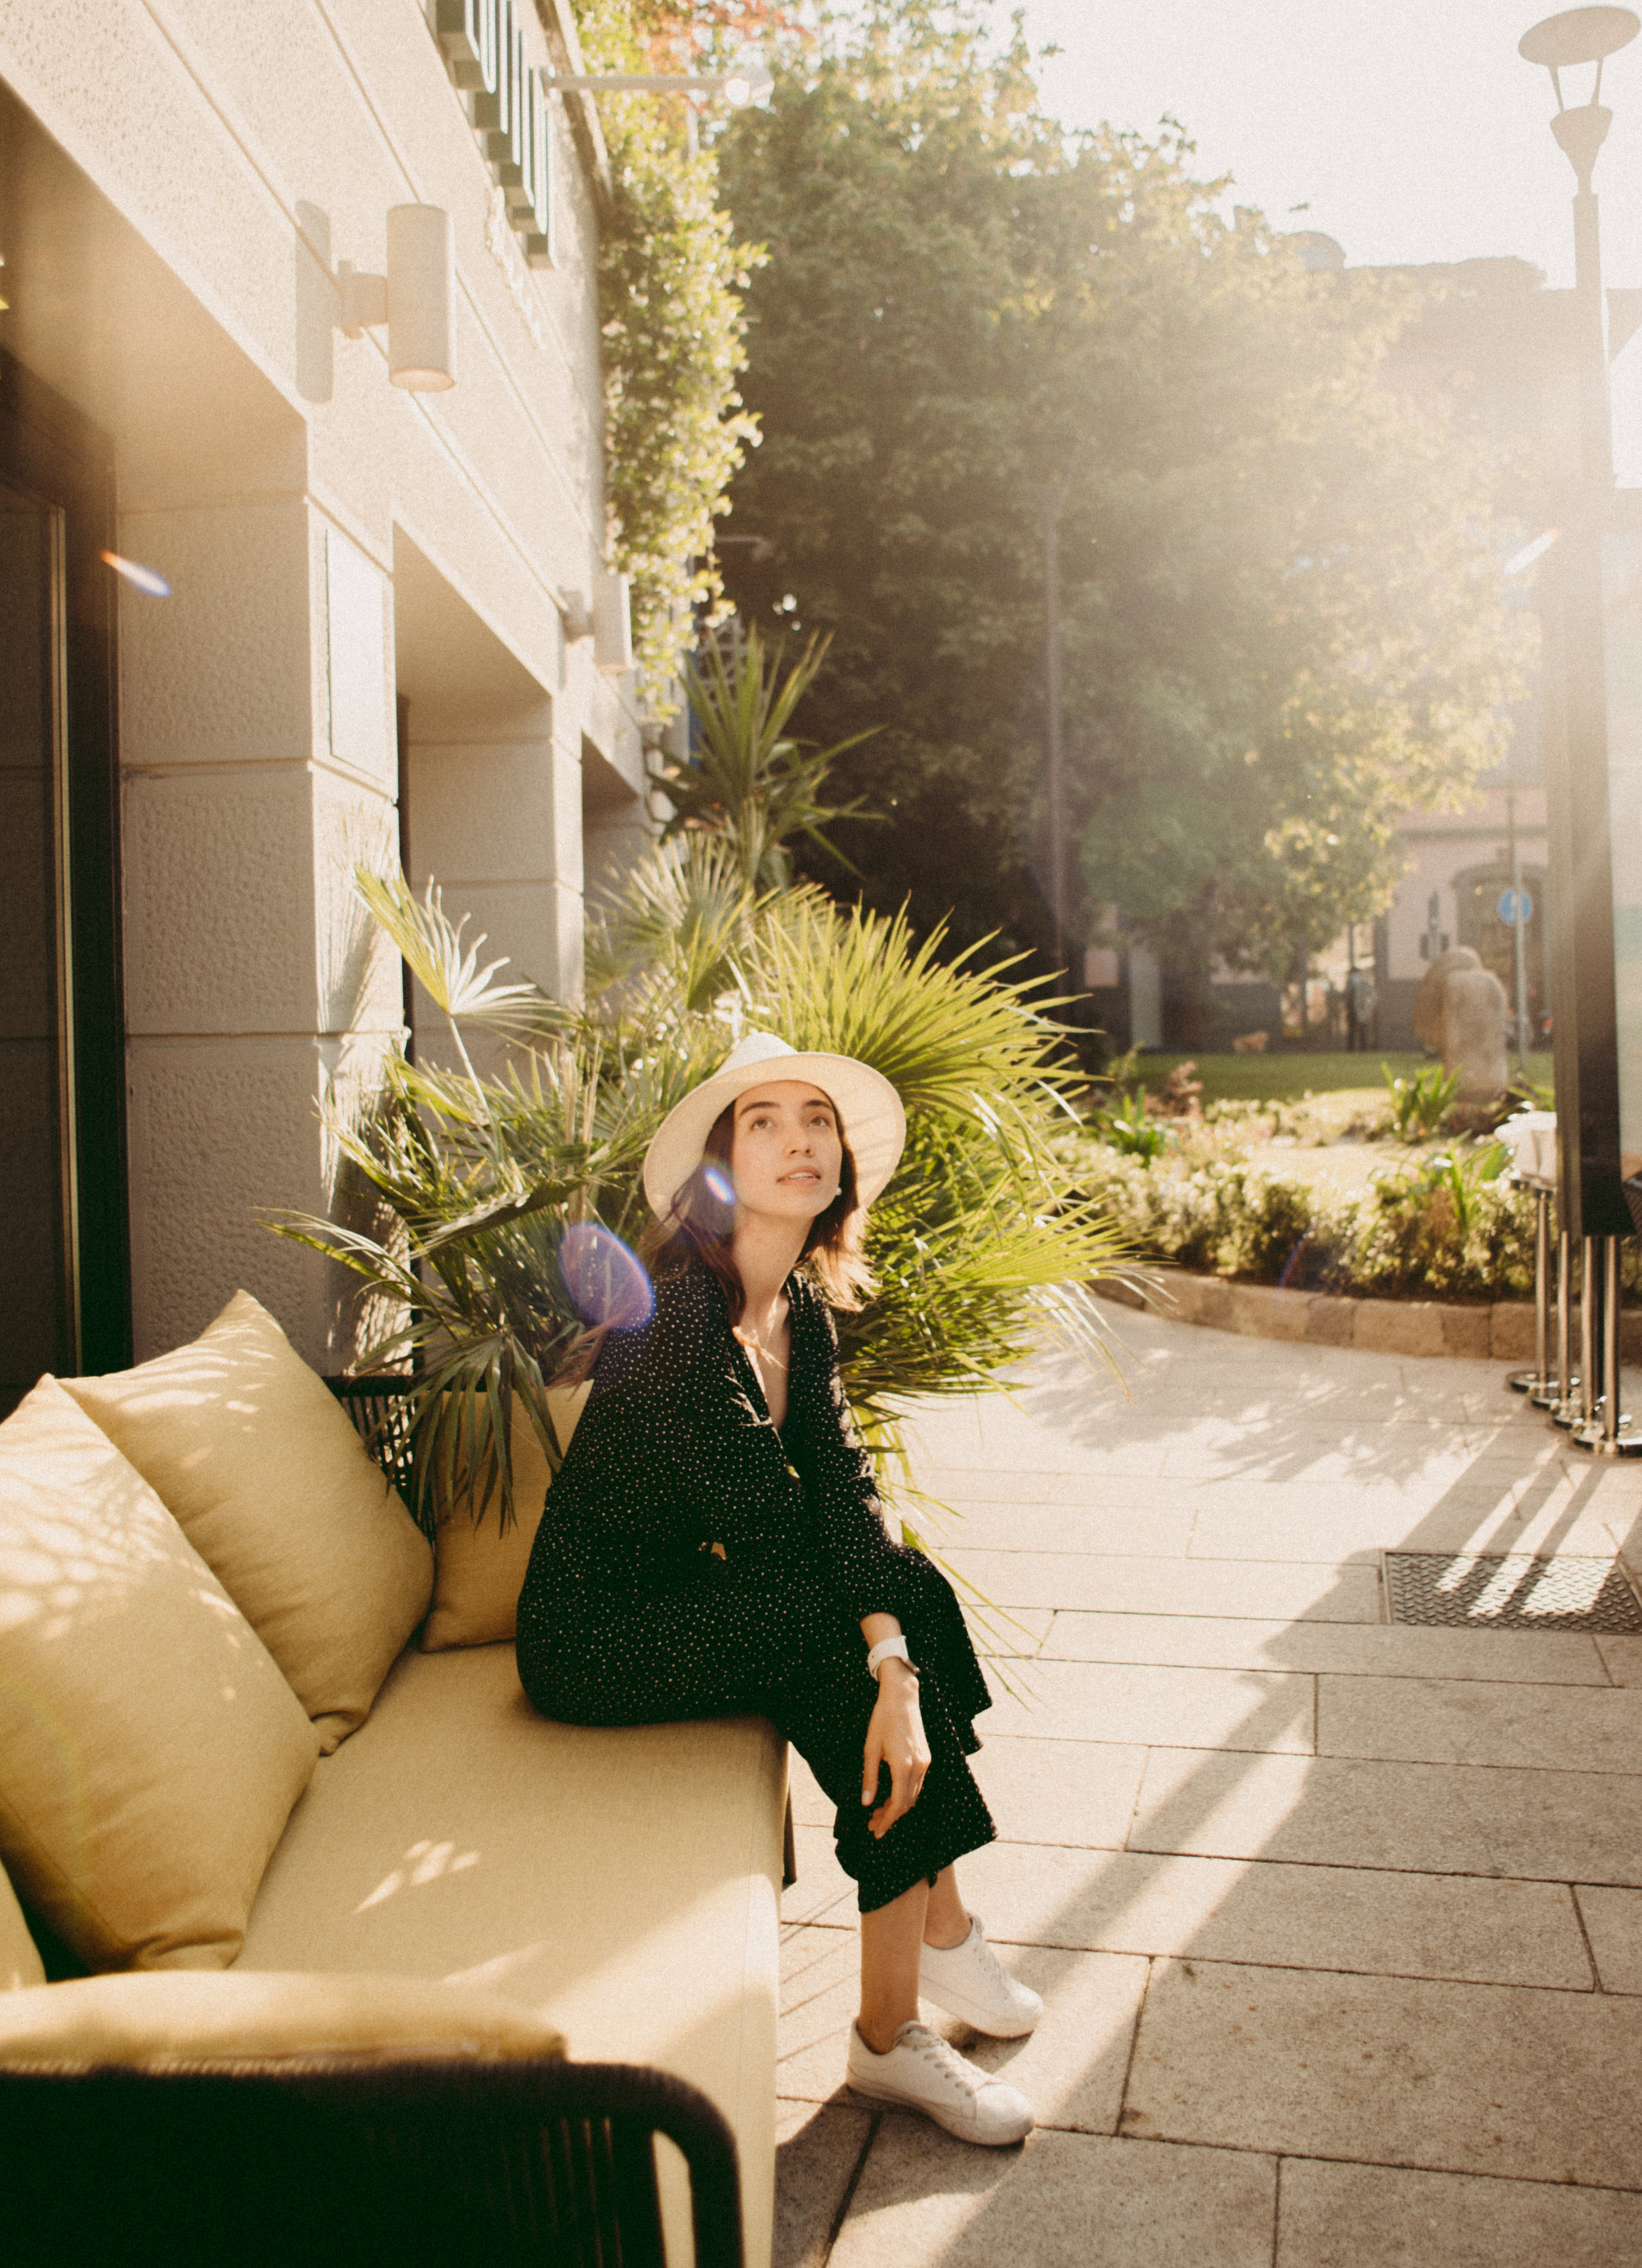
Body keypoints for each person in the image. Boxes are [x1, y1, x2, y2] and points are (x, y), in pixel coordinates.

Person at [516, 1031, 1041, 2145]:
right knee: (838, 1648)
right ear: (721, 1167)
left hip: (681, 1596)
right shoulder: (676, 1326)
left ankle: (940, 1937)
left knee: (910, 1600)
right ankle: (889, 2036)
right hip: (593, 1638)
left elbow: (843, 1486)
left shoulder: (792, 1307)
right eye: (765, 1123)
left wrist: (899, 1657)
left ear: (840, 1165)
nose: (799, 1141)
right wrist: (882, 1675)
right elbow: (772, 1530)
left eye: (817, 1123)